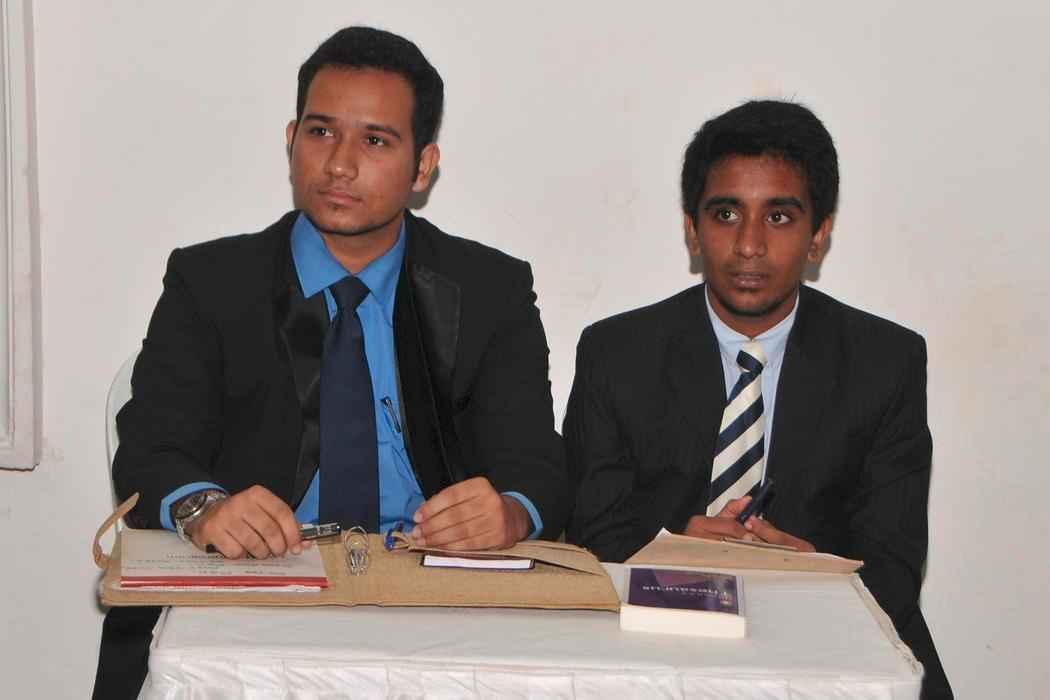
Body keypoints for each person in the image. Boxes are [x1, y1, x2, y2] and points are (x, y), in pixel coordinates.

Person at [94, 26, 567, 698]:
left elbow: (539, 465)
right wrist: (204, 508)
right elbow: (149, 447)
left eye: (375, 141)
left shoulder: (489, 290)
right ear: (291, 140)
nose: (340, 165)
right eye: (320, 133)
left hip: (438, 606)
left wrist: (510, 513)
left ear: (423, 166)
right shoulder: (211, 282)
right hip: (255, 597)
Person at [563, 100, 951, 698]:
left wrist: (809, 572)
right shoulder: (617, 353)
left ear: (818, 235)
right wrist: (680, 548)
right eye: (726, 214)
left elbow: (894, 567)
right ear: (692, 229)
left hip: (833, 643)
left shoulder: (885, 361)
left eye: (779, 217)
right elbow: (590, 535)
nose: (749, 245)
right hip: (655, 639)